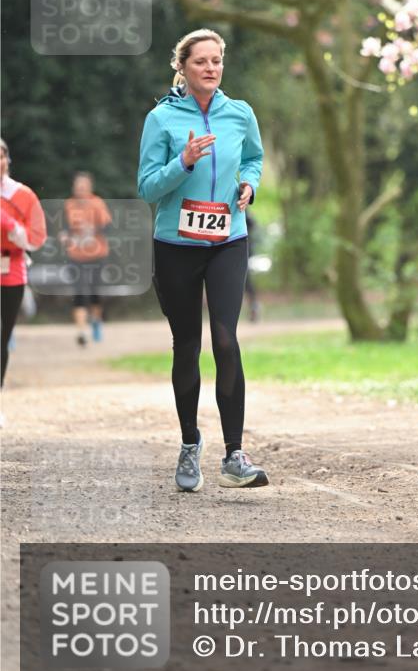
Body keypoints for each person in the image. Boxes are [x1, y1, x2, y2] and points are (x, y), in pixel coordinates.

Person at [137, 28, 267, 492]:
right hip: (176, 245)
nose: (210, 68)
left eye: (216, 61)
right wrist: (184, 162)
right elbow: (148, 187)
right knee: (187, 344)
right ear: (183, 67)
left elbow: (253, 158)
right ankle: (190, 445)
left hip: (228, 239)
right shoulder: (162, 119)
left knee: (226, 340)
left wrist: (250, 185)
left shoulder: (239, 113)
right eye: (200, 62)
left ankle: (235, 454)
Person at [1, 138, 47, 395]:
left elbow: (36, 238)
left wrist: (9, 224)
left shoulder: (22, 195)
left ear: (7, 161)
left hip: (11, 266)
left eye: (1, 156)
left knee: (3, 334)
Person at [62, 172, 112, 346]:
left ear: (90, 187)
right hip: (76, 254)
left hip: (97, 254)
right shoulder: (69, 205)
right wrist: (65, 236)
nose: (81, 189)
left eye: (84, 185)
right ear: (74, 187)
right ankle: (81, 331)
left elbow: (107, 227)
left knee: (95, 291)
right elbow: (65, 228)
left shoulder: (97, 203)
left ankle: (96, 322)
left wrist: (92, 231)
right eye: (78, 185)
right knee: (79, 292)